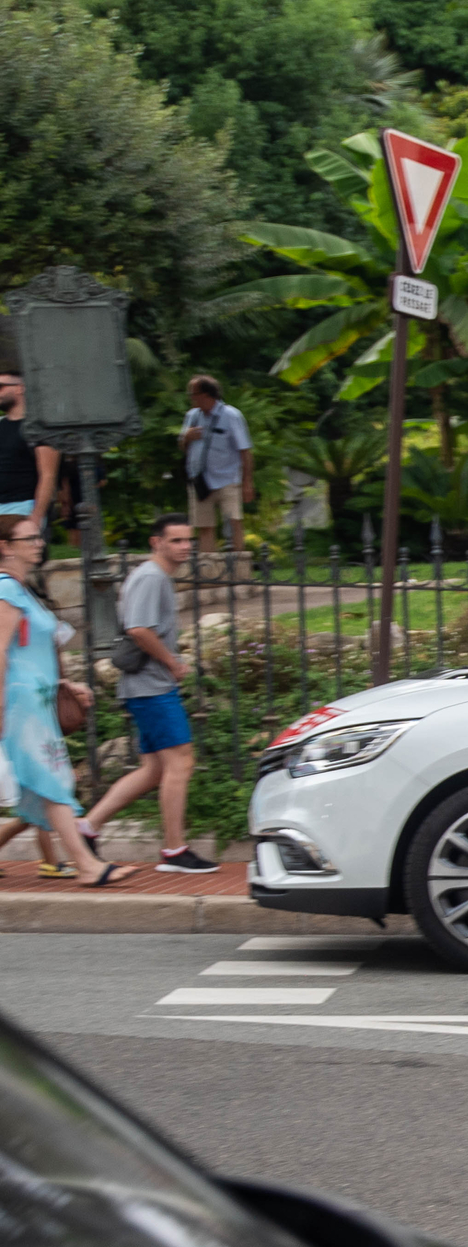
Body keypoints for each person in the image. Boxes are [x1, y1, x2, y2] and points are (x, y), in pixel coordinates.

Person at [0, 515, 132, 886]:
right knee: (51, 779)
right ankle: (87, 866)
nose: (39, 543)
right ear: (5, 547)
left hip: (37, 701)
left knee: (48, 780)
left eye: (38, 537)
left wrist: (65, 684)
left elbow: (33, 648)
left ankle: (85, 865)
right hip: (20, 703)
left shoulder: (23, 590)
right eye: (28, 538)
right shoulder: (5, 590)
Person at [82, 516, 214, 873]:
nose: (185, 547)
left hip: (151, 686)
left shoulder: (156, 578)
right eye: (176, 541)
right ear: (157, 542)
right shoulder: (151, 577)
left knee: (154, 768)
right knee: (181, 763)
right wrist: (172, 663)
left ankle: (87, 828)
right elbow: (139, 629)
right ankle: (174, 851)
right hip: (152, 687)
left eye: (188, 540)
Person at [178, 375, 253, 550]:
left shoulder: (231, 415)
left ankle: (238, 569)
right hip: (200, 480)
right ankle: (208, 572)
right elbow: (182, 446)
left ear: (205, 395)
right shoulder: (192, 416)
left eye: (193, 394)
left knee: (234, 522)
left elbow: (245, 451)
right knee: (205, 526)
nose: (191, 398)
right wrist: (186, 437)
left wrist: (247, 482)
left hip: (228, 479)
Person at [0, 370, 60, 536]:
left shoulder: (39, 428)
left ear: (20, 388)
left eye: (1, 387)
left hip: (23, 507)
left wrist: (36, 517)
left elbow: (48, 475)